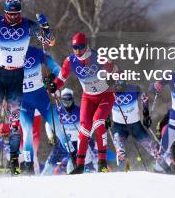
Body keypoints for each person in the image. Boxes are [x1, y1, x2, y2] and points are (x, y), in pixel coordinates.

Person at [0, 0, 55, 175]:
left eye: (17, 14)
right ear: (5, 13)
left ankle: (15, 160)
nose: (14, 18)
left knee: (14, 122)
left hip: (17, 75)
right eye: (10, 14)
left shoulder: (28, 25)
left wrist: (45, 27)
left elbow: (50, 42)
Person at [46, 32, 115, 174]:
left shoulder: (98, 56)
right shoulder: (70, 61)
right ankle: (80, 165)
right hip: (88, 98)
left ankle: (102, 162)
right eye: (75, 47)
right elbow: (61, 79)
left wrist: (113, 77)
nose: (77, 50)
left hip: (105, 96)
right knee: (84, 130)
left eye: (81, 47)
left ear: (86, 45)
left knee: (98, 122)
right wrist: (53, 86)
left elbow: (115, 71)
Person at [20, 45, 70, 174]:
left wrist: (53, 79)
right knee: (27, 134)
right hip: (23, 102)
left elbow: (59, 70)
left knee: (58, 127)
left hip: (40, 97)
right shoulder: (7, 57)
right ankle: (28, 166)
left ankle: (74, 157)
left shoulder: (36, 52)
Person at [111, 83, 169, 172]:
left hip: (135, 126)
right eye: (116, 82)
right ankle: (124, 173)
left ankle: (168, 170)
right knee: (120, 152)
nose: (118, 85)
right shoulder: (110, 90)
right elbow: (102, 103)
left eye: (121, 81)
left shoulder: (133, 88)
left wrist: (146, 115)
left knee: (154, 149)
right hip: (119, 127)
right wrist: (105, 117)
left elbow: (144, 98)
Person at [42, 88, 84, 175]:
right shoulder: (57, 111)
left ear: (72, 99)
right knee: (48, 167)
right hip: (60, 144)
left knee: (70, 168)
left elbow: (87, 125)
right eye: (64, 100)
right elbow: (48, 124)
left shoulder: (79, 111)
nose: (67, 102)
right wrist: (50, 137)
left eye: (69, 99)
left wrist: (85, 137)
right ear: (61, 99)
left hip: (74, 145)